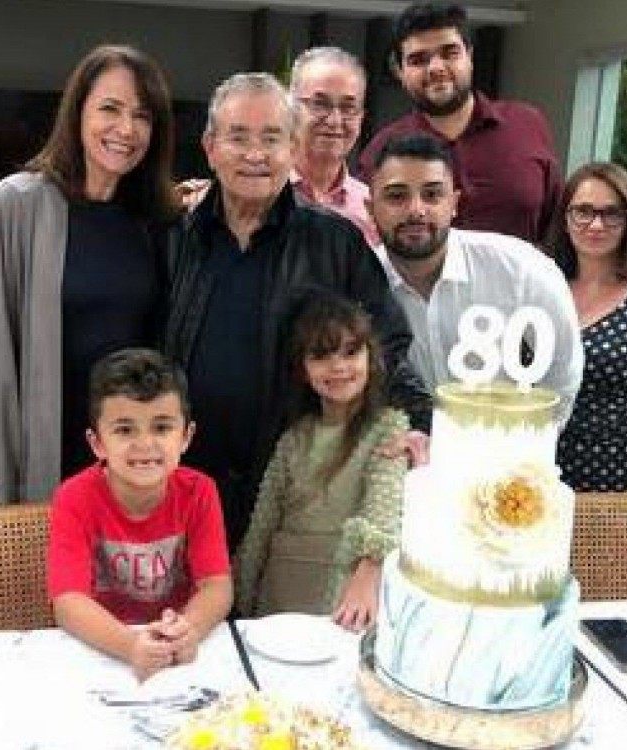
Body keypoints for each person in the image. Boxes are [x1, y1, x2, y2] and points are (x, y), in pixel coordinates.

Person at [164, 72, 431, 551]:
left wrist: (415, 423)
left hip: (300, 487)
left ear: (292, 148)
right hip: (184, 482)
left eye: (271, 138)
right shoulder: (173, 240)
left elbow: (386, 342)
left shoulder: (335, 242)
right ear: (209, 147)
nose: (255, 154)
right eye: (238, 137)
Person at [0, 45, 178, 503]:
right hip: (44, 464)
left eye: (142, 116)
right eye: (110, 109)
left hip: (128, 468)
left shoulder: (156, 221)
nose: (126, 129)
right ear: (77, 111)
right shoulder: (18, 205)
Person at [366, 134, 582, 424]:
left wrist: (530, 443)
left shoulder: (520, 269)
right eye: (396, 196)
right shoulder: (360, 282)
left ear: (454, 203)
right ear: (370, 208)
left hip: (505, 445)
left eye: (432, 195)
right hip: (403, 448)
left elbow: (563, 368)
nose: (416, 209)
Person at [47, 348, 232, 681]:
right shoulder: (73, 497)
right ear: (97, 443)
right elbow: (68, 602)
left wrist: (189, 629)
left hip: (176, 647)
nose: (145, 444)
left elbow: (217, 586)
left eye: (161, 428)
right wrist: (130, 645)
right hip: (102, 646)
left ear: (186, 437)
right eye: (124, 430)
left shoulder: (200, 491)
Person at [233, 293, 406, 632]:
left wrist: (369, 570)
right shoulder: (293, 437)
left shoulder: (389, 429)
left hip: (346, 598)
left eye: (351, 352)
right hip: (277, 596)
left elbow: (384, 510)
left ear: (371, 357)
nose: (338, 367)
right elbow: (262, 527)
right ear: (303, 368)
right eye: (322, 355)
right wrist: (239, 593)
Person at [357, 1, 561, 244]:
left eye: (449, 53)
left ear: (469, 56)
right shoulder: (382, 149)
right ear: (400, 71)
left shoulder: (526, 126)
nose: (436, 68)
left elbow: (557, 225)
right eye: (419, 59)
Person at [543, 162, 627, 492]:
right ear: (565, 218)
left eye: (611, 213)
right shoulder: (541, 290)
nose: (596, 224)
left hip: (608, 483)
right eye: (583, 211)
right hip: (534, 473)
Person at [288, 46, 379, 247]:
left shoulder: (371, 208)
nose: (334, 120)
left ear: (361, 117)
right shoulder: (258, 193)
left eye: (348, 107)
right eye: (320, 104)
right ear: (291, 109)